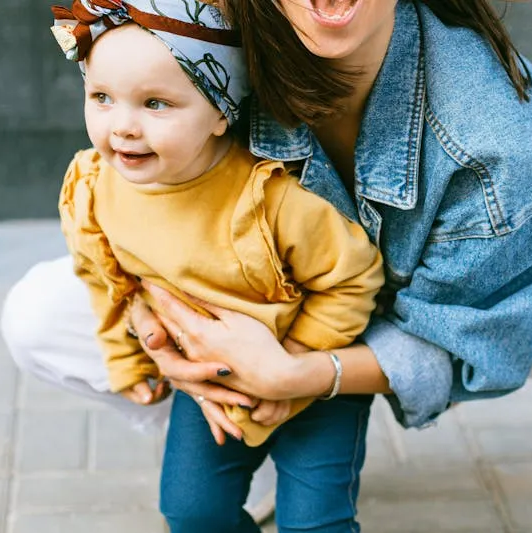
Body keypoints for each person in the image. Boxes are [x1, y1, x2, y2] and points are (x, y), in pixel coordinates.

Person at [1, 0, 532, 531]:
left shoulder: (498, 136)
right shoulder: (214, 34)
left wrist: (299, 374)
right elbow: (131, 171)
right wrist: (152, 317)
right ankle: (231, 447)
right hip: (280, 288)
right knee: (40, 312)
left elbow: (454, 338)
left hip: (503, 281)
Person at [41, 0, 384, 530]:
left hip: (311, 381)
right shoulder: (94, 187)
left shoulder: (270, 198)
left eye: (156, 104)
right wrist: (125, 355)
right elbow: (103, 273)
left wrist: (291, 365)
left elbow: (353, 277)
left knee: (315, 521)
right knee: (191, 511)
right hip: (218, 383)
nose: (123, 127)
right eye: (102, 97)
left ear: (220, 111)